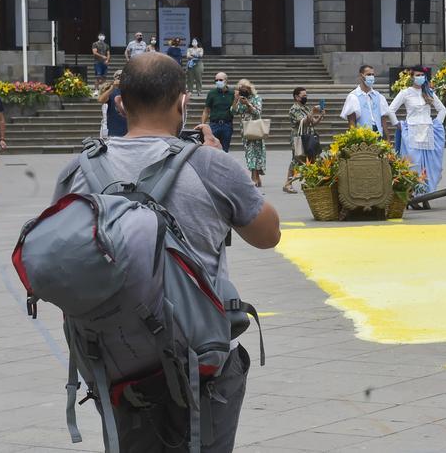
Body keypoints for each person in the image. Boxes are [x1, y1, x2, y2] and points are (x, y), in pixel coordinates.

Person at [51, 52, 280, 452]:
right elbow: (268, 235)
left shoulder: (78, 171)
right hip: (201, 356)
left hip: (116, 358)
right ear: (183, 102)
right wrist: (223, 164)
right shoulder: (212, 166)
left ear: (120, 103)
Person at [389, 65, 446, 209]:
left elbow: (442, 109)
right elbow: (390, 110)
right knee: (415, 165)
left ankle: (425, 196)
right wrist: (398, 125)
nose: (420, 77)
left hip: (427, 131)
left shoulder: (429, 92)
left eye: (422, 75)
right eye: (417, 75)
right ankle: (412, 196)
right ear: (412, 77)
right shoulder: (405, 93)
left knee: (428, 165)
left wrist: (437, 123)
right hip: (412, 132)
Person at [285, 87, 323, 193]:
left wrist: (319, 116)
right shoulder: (294, 109)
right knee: (297, 160)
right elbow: (304, 122)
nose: (306, 97)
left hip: (308, 136)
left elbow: (312, 122)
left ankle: (312, 183)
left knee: (311, 159)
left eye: (306, 95)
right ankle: (288, 184)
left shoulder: (305, 108)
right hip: (298, 137)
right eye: (304, 96)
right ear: (297, 97)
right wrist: (313, 111)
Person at [340, 64, 395, 137]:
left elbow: (383, 119)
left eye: (373, 74)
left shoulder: (379, 96)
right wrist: (353, 138)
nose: (371, 77)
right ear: (361, 76)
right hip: (362, 135)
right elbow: (351, 121)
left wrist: (387, 138)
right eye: (368, 74)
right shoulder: (353, 97)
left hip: (378, 133)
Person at [231, 79, 266, 187]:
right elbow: (233, 112)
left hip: (255, 128)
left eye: (245, 89)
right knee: (250, 153)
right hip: (245, 130)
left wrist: (248, 104)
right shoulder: (239, 99)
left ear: (250, 89)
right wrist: (236, 100)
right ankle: (256, 177)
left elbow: (257, 113)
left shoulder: (256, 98)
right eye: (241, 89)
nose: (244, 91)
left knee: (255, 153)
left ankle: (254, 177)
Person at [200, 72, 235, 152]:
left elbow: (235, 110)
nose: (218, 82)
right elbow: (206, 110)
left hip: (227, 125)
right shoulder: (212, 93)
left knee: (225, 149)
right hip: (214, 124)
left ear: (226, 81)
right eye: (216, 80)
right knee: (212, 149)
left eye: (220, 80)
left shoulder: (232, 94)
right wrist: (203, 124)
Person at [98, 71, 127, 138]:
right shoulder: (111, 92)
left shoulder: (130, 90)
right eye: (118, 77)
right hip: (114, 130)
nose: (120, 79)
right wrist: (113, 87)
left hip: (129, 131)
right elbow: (101, 100)